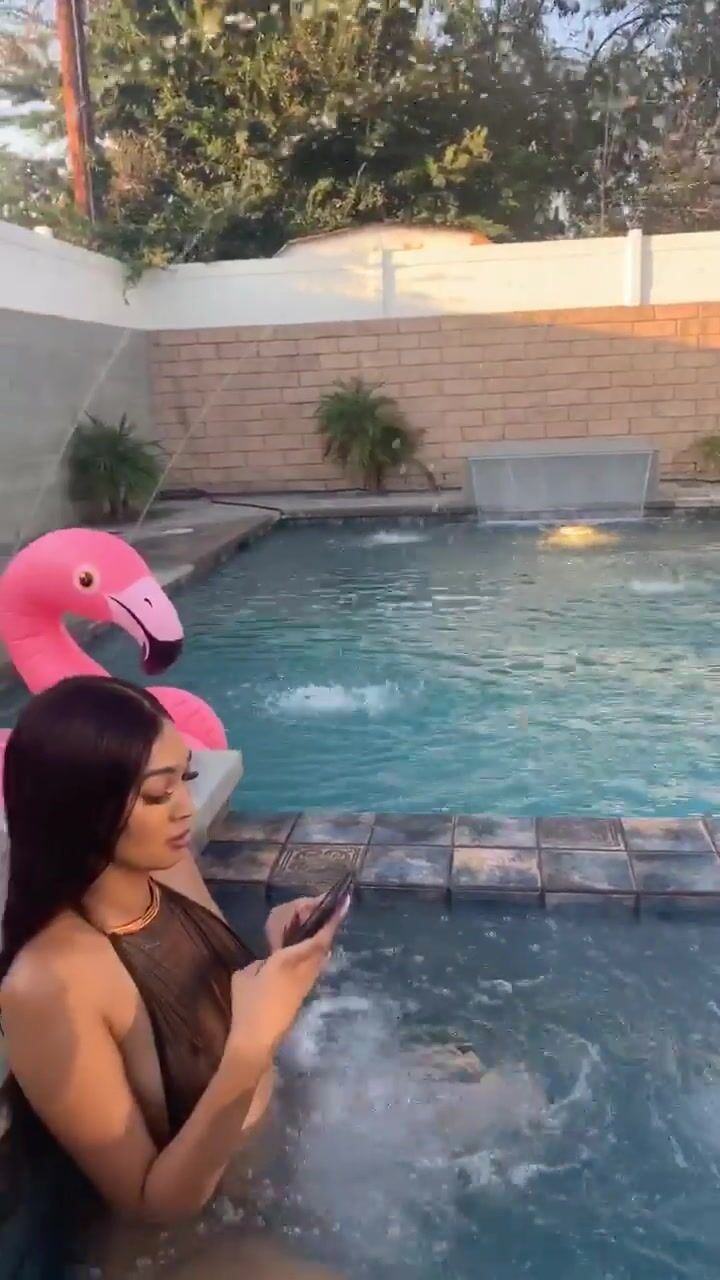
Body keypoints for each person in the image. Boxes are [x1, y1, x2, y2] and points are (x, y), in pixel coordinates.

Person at [0, 675, 345, 1278]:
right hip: (189, 1242)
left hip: (276, 1162)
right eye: (159, 794)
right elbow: (151, 1204)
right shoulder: (52, 983)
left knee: (500, 1092)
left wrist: (277, 959)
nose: (185, 806)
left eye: (185, 777)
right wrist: (253, 1045)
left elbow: (214, 1011)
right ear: (82, 807)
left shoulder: (165, 867)